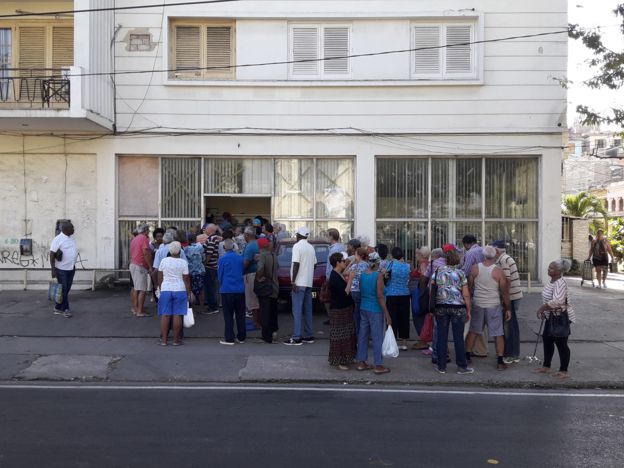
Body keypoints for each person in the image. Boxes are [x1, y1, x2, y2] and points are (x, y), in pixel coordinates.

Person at [465, 246, 512, 370]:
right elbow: (505, 293)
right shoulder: (498, 271)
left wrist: (468, 305)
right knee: (498, 334)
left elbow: (469, 288)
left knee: (473, 331)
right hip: (494, 305)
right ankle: (500, 361)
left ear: (483, 255)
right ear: (495, 255)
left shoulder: (475, 269)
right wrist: (508, 308)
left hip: (478, 303)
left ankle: (467, 356)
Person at [431, 244, 473, 374]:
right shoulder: (460, 273)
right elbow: (466, 293)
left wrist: (433, 304)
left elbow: (431, 290)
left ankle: (441, 366)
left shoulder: (438, 271)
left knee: (442, 337)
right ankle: (461, 366)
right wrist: (468, 310)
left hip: (441, 307)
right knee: (458, 337)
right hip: (458, 308)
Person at [535, 259, 576, 379]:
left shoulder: (560, 283)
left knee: (561, 343)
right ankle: (546, 366)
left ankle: (564, 371)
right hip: (551, 316)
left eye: (552, 268)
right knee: (547, 341)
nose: (548, 269)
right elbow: (548, 298)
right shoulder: (552, 281)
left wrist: (542, 308)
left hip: (561, 317)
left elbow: (557, 301)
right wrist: (545, 311)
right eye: (549, 267)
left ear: (559, 271)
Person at [355, 252, 393, 374]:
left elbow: (361, 291)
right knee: (377, 337)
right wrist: (387, 314)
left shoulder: (363, 275)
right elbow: (380, 296)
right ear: (377, 263)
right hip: (375, 309)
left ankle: (361, 361)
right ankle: (378, 364)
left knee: (363, 335)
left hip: (364, 307)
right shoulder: (378, 276)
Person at [492, 240, 524, 364]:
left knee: (509, 326)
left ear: (497, 249)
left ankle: (512, 354)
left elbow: (506, 281)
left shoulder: (504, 260)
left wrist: (504, 300)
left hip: (511, 297)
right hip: (512, 296)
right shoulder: (503, 259)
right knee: (510, 325)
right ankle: (510, 352)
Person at [284, 227, 317, 346]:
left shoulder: (297, 246)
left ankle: (297, 337)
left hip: (299, 283)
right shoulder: (311, 247)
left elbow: (296, 264)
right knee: (308, 310)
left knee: (297, 310)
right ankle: (308, 335)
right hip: (308, 283)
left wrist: (293, 281)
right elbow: (315, 264)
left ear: (299, 235)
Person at [157, 241, 191, 346]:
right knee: (177, 315)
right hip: (180, 289)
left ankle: (164, 341)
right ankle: (176, 341)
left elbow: (159, 277)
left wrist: (160, 288)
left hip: (166, 289)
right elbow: (186, 279)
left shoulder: (164, 261)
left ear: (170, 251)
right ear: (180, 251)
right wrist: (188, 292)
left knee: (165, 315)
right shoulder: (183, 263)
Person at [327, 252, 356, 370]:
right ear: (338, 263)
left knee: (347, 335)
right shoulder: (334, 277)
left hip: (345, 308)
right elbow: (345, 293)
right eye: (343, 261)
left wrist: (350, 265)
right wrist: (351, 280)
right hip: (339, 310)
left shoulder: (337, 273)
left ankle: (346, 358)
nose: (345, 262)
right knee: (339, 337)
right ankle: (339, 361)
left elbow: (344, 272)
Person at [461, 234, 488, 357]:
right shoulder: (484, 251)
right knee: (482, 321)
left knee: (471, 321)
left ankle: (468, 348)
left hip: (474, 289)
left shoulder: (470, 253)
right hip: (486, 289)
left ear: (466, 244)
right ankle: (481, 349)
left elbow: (464, 272)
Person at [217, 239, 247, 345]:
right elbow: (242, 271)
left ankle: (229, 338)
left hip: (227, 289)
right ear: (234, 247)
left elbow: (220, 275)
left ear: (224, 248)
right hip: (239, 289)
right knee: (240, 314)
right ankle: (242, 337)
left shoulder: (222, 259)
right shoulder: (240, 258)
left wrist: (222, 283)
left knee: (228, 315)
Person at [384, 247, 412, 350]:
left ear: (392, 255)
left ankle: (392, 343)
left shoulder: (390, 264)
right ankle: (404, 343)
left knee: (392, 318)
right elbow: (409, 278)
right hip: (405, 294)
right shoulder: (408, 266)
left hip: (391, 294)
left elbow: (385, 276)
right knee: (404, 318)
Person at [49, 220, 78, 318]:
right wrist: (53, 270)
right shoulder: (58, 239)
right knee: (64, 289)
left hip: (71, 268)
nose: (74, 229)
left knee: (66, 289)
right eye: (72, 228)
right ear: (65, 229)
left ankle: (57, 307)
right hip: (61, 269)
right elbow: (52, 254)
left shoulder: (71, 238)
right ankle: (66, 309)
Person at [255, 237, 279, 343]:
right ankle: (274, 333)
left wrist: (259, 278)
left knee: (265, 312)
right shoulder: (274, 255)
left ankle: (267, 336)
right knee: (273, 311)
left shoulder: (263, 256)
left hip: (266, 288)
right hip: (275, 287)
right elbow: (277, 267)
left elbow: (260, 269)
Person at [129, 224, 152, 317]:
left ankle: (135, 308)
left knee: (135, 288)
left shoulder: (134, 239)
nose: (149, 233)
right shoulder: (143, 238)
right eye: (148, 231)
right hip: (140, 265)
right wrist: (150, 266)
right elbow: (145, 252)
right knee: (142, 289)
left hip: (133, 264)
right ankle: (139, 311)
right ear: (145, 231)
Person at [345, 247, 370, 335]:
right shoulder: (366, 265)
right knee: (363, 314)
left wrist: (350, 263)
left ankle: (358, 334)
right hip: (363, 291)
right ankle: (363, 334)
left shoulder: (355, 265)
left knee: (356, 314)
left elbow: (344, 273)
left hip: (354, 291)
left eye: (355, 254)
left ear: (359, 256)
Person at [242, 226, 261, 324]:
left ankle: (256, 323)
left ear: (247, 235)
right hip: (259, 274)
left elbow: (246, 263)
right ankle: (258, 322)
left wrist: (239, 272)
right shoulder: (258, 243)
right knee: (257, 300)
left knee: (253, 302)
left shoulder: (249, 246)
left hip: (251, 275)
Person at [202, 224, 222, 314]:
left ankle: (212, 307)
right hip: (214, 266)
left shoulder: (211, 239)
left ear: (209, 230)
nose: (204, 230)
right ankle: (213, 305)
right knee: (212, 287)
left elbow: (209, 254)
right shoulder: (215, 238)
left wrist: (204, 263)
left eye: (205, 228)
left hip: (210, 266)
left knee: (210, 287)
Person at [184, 233, 206, 306]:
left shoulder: (186, 249)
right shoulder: (200, 247)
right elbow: (204, 258)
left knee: (190, 290)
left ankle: (191, 309)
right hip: (199, 271)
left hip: (190, 272)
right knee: (201, 290)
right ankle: (202, 307)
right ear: (195, 239)